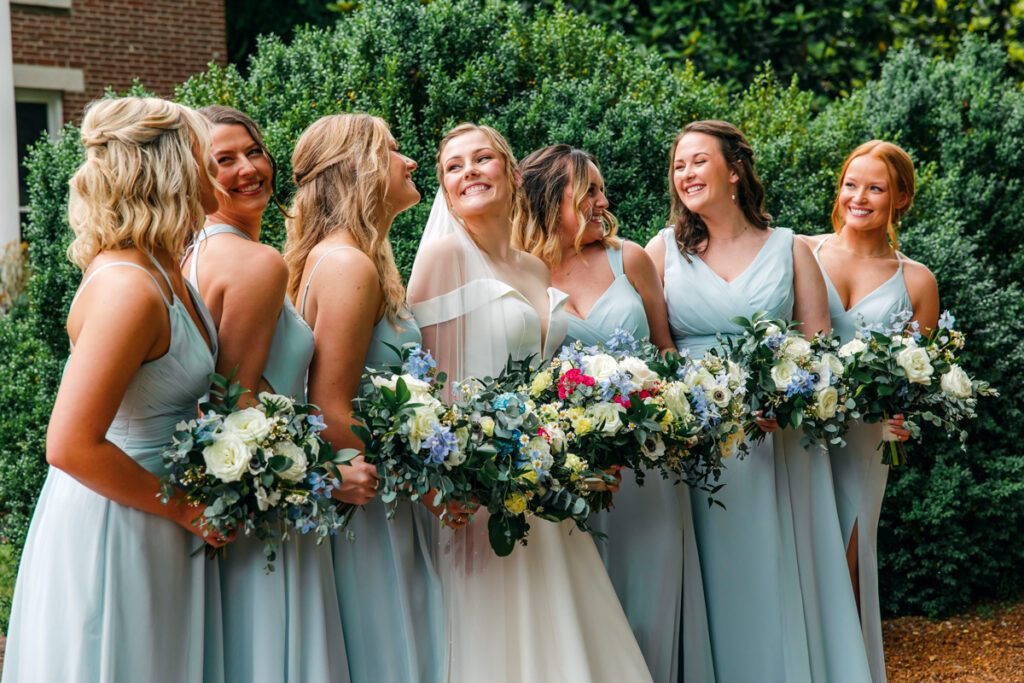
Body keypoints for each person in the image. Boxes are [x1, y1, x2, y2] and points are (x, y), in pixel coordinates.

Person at [407, 123, 653, 683]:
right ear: (446, 190)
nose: (468, 170)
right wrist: (455, 479)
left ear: (511, 173)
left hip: (543, 478)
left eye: (482, 158)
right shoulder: (445, 256)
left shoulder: (535, 268)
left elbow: (547, 380)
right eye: (453, 166)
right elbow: (425, 383)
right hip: (479, 487)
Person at [2, 97, 228, 682]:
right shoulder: (127, 287)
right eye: (207, 157)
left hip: (158, 515)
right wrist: (187, 509)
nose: (219, 171)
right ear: (176, 169)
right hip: (118, 524)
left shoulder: (166, 268)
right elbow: (69, 443)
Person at [646, 119, 869, 682]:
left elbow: (819, 346)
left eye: (698, 160)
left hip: (778, 444)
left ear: (734, 170)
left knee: (775, 572)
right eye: (678, 166)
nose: (686, 174)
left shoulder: (790, 248)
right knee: (712, 577)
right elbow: (658, 349)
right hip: (696, 444)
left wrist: (789, 400)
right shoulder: (662, 251)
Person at [513, 143, 699, 682]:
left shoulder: (630, 258)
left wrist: (667, 410)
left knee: (650, 600)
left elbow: (666, 353)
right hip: (568, 468)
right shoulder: (520, 270)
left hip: (649, 465)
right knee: (582, 611)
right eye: (589, 190)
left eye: (601, 188)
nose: (603, 200)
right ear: (551, 198)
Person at [181, 105, 349, 682]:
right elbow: (235, 407)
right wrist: (326, 471)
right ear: (194, 175)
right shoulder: (256, 263)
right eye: (223, 160)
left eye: (253, 151)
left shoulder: (186, 255)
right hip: (270, 499)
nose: (248, 168)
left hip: (240, 490)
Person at [284, 113, 446, 683]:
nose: (410, 161)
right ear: (359, 168)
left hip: (377, 488)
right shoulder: (349, 265)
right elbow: (328, 407)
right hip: (372, 501)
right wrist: (429, 479)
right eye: (395, 150)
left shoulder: (354, 256)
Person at [803, 140, 938, 682]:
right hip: (801, 434)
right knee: (801, 558)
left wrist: (905, 416)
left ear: (900, 197)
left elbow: (920, 376)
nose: (859, 197)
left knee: (848, 564)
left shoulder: (916, 281)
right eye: (851, 184)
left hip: (864, 443)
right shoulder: (802, 251)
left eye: (875, 187)